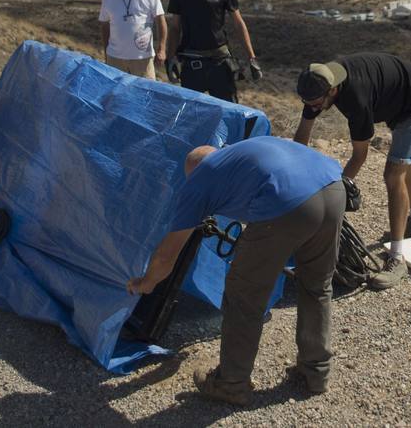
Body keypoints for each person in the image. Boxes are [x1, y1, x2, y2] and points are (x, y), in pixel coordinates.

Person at [127, 136, 344, 405]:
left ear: (193, 173)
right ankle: (316, 372)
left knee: (244, 297)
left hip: (288, 204)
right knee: (317, 286)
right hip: (332, 187)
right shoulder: (240, 153)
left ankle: (231, 384)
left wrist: (147, 282)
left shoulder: (200, 179)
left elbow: (167, 254)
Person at [292, 53, 411, 290]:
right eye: (307, 103)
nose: (312, 108)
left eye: (316, 104)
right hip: (394, 98)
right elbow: (300, 142)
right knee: (406, 160)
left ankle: (397, 259)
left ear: (333, 91)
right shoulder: (318, 84)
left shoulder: (355, 100)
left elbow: (360, 156)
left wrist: (334, 192)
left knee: (393, 173)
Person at [164, 0, 261, 102]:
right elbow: (174, 28)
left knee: (229, 112)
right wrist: (170, 58)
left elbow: (238, 23)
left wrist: (252, 57)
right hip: (191, 64)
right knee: (192, 115)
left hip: (220, 63)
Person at [98, 0, 166, 79]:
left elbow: (160, 20)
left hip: (142, 59)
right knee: (117, 95)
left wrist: (162, 49)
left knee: (145, 94)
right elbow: (104, 25)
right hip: (115, 59)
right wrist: (106, 52)